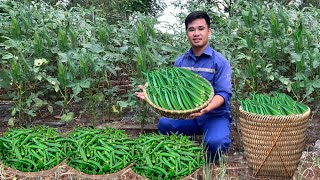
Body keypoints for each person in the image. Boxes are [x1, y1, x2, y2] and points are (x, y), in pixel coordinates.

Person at [135, 11, 232, 161]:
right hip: (188, 116)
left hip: (214, 116)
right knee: (165, 125)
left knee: (217, 142)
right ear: (187, 33)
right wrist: (151, 94)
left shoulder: (220, 62)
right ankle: (184, 153)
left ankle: (209, 160)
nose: (196, 33)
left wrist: (206, 109)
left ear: (209, 32)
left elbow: (224, 94)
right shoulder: (180, 62)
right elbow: (173, 90)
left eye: (201, 29)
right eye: (191, 29)